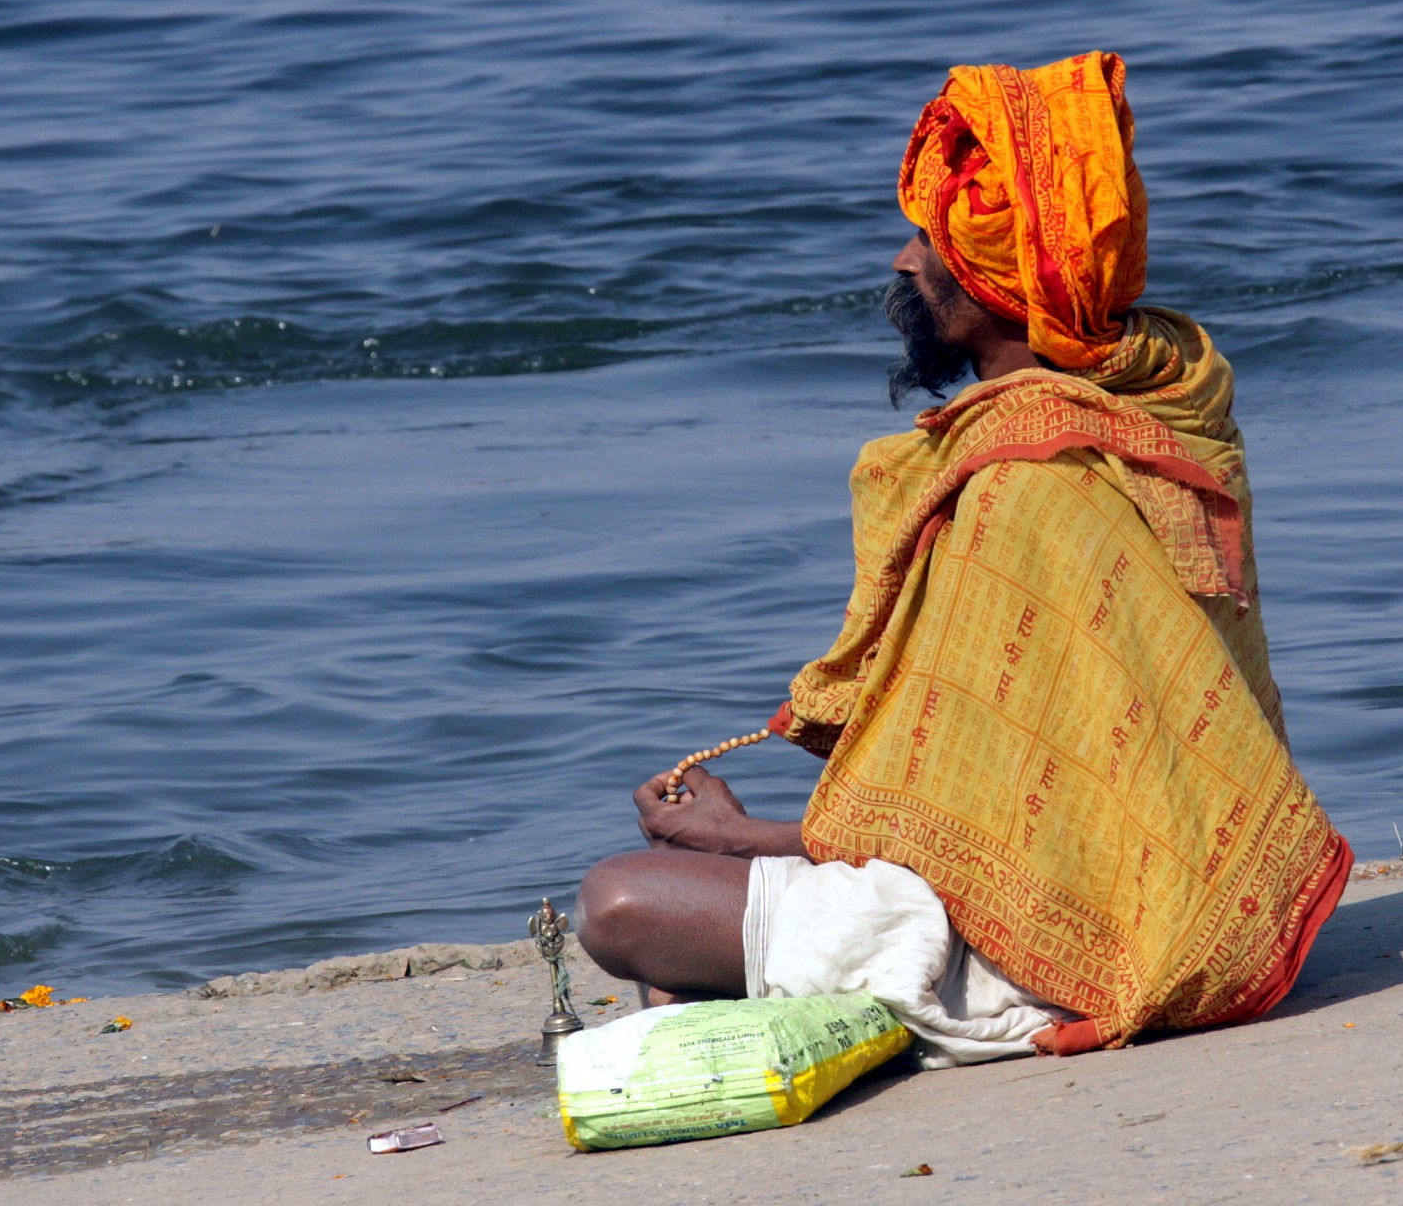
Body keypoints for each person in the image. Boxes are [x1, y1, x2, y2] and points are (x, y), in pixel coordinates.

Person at [575, 52, 1351, 1063]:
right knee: (676, 921)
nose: (902, 261)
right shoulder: (1152, 401)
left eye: (929, 242)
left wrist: (736, 837)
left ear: (991, 283)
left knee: (620, 901)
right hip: (1144, 892)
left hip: (1052, 943)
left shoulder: (1025, 485)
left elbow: (982, 848)